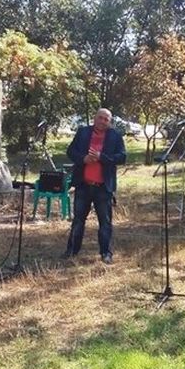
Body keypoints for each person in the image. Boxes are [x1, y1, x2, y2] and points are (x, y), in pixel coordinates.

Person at [63, 107, 126, 264]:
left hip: (103, 187)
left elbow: (122, 157)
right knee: (78, 220)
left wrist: (101, 157)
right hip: (83, 185)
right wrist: (83, 159)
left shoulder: (115, 136)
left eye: (106, 119)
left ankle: (106, 253)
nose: (103, 121)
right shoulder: (83, 132)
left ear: (109, 122)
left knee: (105, 222)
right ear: (95, 118)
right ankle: (72, 250)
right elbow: (70, 151)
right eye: (100, 118)